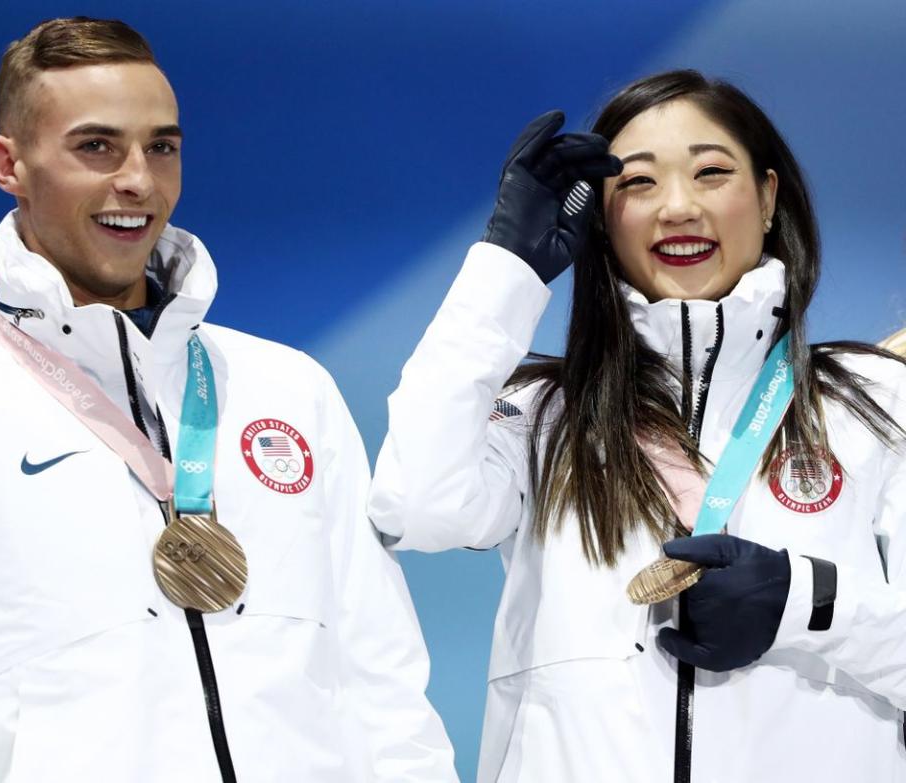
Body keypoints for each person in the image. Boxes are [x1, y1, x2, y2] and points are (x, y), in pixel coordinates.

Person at [0, 17, 457, 783]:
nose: (139, 181)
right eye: (97, 147)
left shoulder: (290, 386)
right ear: (8, 165)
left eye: (162, 146)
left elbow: (381, 677)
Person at [369, 69, 906, 782]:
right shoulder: (542, 415)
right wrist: (504, 269)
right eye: (640, 184)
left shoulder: (878, 401)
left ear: (770, 197)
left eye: (711, 173)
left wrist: (804, 601)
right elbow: (413, 504)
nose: (678, 207)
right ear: (600, 219)